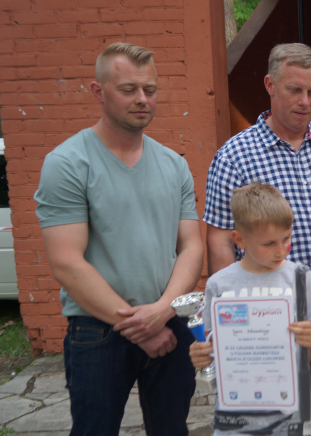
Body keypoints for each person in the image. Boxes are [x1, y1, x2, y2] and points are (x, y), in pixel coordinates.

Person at [203, 43, 311, 436]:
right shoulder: (234, 156)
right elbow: (220, 237)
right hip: (262, 297)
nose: (305, 101)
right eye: (295, 90)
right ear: (270, 85)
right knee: (266, 403)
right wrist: (231, 303)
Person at [33, 42, 204, 435]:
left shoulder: (174, 164)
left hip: (169, 323)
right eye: (129, 89)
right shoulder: (68, 163)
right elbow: (66, 262)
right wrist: (141, 326)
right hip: (98, 331)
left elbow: (191, 246)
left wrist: (162, 311)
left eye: (150, 89)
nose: (142, 99)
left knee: (172, 430)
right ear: (99, 91)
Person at [189, 183, 311, 434]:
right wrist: (201, 354)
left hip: (292, 418)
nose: (281, 251)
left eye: (286, 238)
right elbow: (213, 351)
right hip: (235, 419)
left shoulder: (303, 279)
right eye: (269, 243)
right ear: (240, 239)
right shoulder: (218, 285)